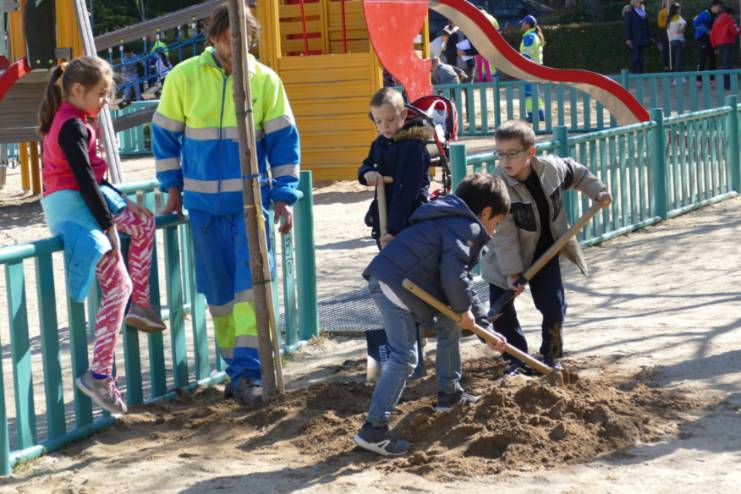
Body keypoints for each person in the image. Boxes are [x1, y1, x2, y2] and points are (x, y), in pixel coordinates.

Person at [152, 4, 300, 405]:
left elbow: (284, 143)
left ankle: (250, 372)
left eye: (242, 39)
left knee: (250, 290)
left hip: (249, 206)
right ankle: (237, 371)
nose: (235, 46)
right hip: (203, 208)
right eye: (227, 38)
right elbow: (164, 136)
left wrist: (284, 196)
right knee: (218, 295)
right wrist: (172, 189)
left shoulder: (265, 80)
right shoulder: (184, 76)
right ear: (214, 36)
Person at [37, 56, 166, 415]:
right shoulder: (70, 126)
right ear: (78, 90)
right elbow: (84, 181)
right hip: (72, 207)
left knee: (141, 227)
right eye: (101, 94)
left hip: (81, 200)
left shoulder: (76, 119)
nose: (106, 101)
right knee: (119, 286)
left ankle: (139, 305)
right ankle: (99, 375)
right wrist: (109, 228)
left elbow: (93, 178)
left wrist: (123, 202)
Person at [354, 173, 510, 456]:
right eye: (496, 223)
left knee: (450, 322)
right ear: (486, 212)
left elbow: (462, 281)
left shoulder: (451, 219)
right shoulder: (466, 227)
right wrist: (463, 310)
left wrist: (485, 327)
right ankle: (373, 429)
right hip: (397, 285)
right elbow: (454, 274)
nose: (495, 231)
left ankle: (449, 394)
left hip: (396, 280)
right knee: (405, 357)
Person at [481, 120, 612, 376]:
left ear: (530, 152)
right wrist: (512, 273)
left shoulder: (551, 169)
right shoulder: (499, 186)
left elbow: (578, 173)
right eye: (500, 154)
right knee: (502, 313)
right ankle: (517, 360)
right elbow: (504, 236)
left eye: (512, 153)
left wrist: (598, 191)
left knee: (554, 305)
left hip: (545, 251)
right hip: (503, 258)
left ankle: (551, 355)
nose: (505, 161)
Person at [358, 88, 432, 249]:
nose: (384, 126)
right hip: (383, 212)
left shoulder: (413, 147)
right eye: (378, 121)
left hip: (410, 219)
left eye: (390, 119)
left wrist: (394, 230)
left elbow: (406, 191)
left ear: (403, 114)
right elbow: (367, 163)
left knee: (408, 260)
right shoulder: (379, 144)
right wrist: (367, 172)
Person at [519, 15, 546, 122]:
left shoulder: (529, 37)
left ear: (527, 24)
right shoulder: (535, 35)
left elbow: (526, 55)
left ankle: (532, 115)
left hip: (529, 69)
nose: (521, 25)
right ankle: (541, 113)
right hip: (536, 67)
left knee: (528, 93)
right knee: (535, 91)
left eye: (523, 23)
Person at [693, 0, 724, 86]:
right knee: (703, 58)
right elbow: (695, 23)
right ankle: (698, 80)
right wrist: (707, 31)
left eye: (720, 7)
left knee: (713, 58)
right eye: (719, 7)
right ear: (713, 6)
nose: (720, 9)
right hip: (703, 38)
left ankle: (712, 79)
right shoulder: (704, 14)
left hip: (712, 39)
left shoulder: (717, 16)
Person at [710, 7, 740, 90]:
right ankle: (727, 85)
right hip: (728, 44)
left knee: (724, 64)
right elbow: (735, 31)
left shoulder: (717, 21)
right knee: (728, 65)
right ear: (730, 14)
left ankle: (726, 84)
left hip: (719, 45)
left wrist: (714, 46)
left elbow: (712, 34)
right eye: (732, 15)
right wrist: (739, 28)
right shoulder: (731, 21)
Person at [624, 0, 652, 74]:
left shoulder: (643, 10)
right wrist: (628, 38)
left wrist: (650, 36)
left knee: (641, 57)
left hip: (643, 37)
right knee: (635, 56)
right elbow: (627, 25)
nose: (640, 2)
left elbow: (647, 24)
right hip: (634, 38)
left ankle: (641, 73)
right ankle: (635, 73)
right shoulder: (629, 11)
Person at [666, 3, 687, 75]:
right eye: (679, 9)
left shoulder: (669, 18)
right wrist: (682, 28)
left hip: (671, 40)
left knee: (676, 58)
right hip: (679, 39)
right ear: (676, 10)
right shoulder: (678, 17)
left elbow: (668, 30)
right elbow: (684, 22)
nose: (680, 10)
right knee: (679, 59)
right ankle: (678, 76)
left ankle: (678, 75)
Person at [657, 0, 676, 71]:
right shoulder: (662, 12)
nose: (670, 1)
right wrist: (666, 21)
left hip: (674, 31)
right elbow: (660, 24)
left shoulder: (675, 10)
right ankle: (666, 66)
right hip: (665, 32)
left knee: (674, 49)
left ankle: (674, 66)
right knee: (666, 50)